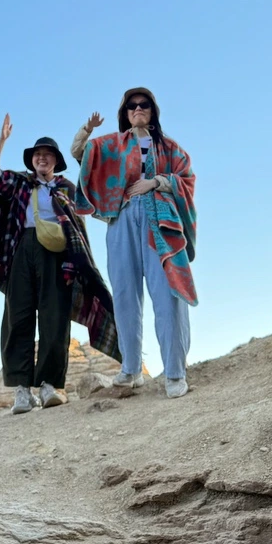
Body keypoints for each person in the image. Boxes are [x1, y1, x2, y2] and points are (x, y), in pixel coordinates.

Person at [0, 114, 119, 416]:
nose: (42, 158)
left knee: (55, 318)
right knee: (18, 318)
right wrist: (2, 139)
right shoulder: (20, 182)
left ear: (56, 161)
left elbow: (79, 223)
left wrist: (73, 263)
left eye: (48, 155)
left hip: (57, 255)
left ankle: (49, 386)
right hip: (20, 251)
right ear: (32, 160)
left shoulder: (66, 188)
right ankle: (21, 390)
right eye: (38, 155)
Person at [74, 87, 196, 398]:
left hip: (160, 219)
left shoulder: (169, 147)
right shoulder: (112, 144)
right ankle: (130, 369)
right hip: (122, 217)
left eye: (143, 105)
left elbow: (187, 178)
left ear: (153, 110)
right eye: (132, 106)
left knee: (167, 293)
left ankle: (175, 372)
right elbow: (81, 154)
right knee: (124, 294)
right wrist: (87, 129)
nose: (138, 109)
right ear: (125, 113)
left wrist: (155, 182)